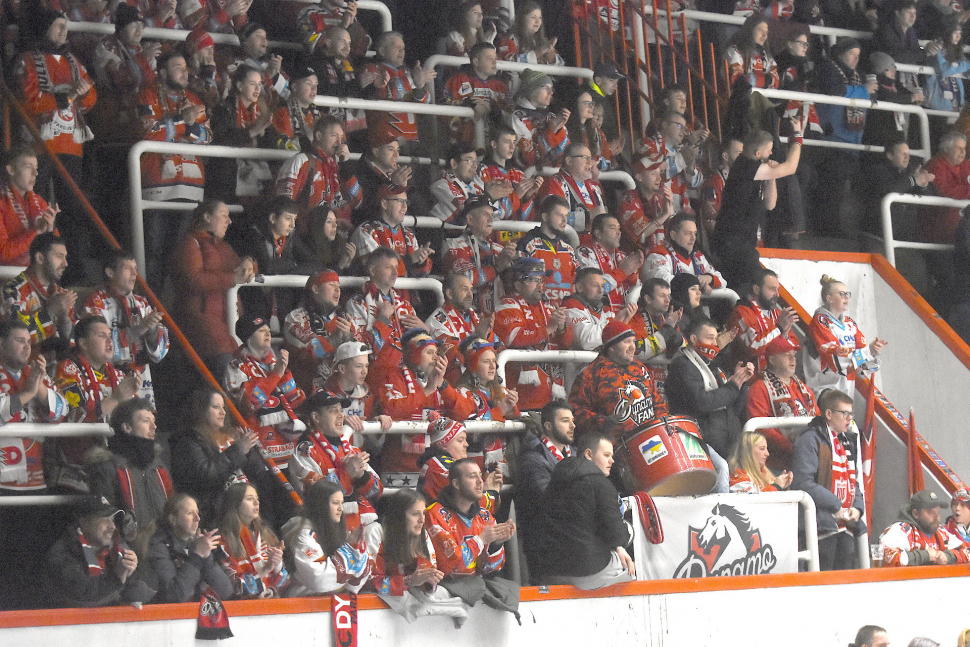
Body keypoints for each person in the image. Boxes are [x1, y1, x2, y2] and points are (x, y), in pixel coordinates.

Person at [14, 9, 96, 284]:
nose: (64, 31)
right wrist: (64, 98)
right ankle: (30, 262)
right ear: (42, 29)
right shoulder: (27, 60)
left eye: (65, 25)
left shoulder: (74, 61)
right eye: (58, 25)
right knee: (35, 205)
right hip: (39, 145)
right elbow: (27, 100)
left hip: (70, 145)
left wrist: (82, 94)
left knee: (73, 207)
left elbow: (91, 98)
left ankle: (73, 268)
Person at [138, 50, 212, 290]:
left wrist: (185, 125)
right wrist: (183, 122)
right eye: (178, 67)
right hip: (157, 186)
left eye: (185, 67)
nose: (185, 71)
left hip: (190, 188)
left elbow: (207, 137)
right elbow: (148, 133)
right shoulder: (147, 95)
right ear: (162, 72)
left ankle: (176, 309)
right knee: (154, 251)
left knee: (183, 252)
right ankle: (154, 303)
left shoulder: (194, 99)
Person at [224, 316, 307, 528]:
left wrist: (283, 371)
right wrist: (275, 375)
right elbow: (249, 403)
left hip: (286, 451)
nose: (268, 334)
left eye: (269, 330)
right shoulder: (237, 366)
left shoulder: (274, 362)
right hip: (260, 454)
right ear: (248, 338)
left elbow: (296, 399)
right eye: (261, 330)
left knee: (289, 514)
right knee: (266, 515)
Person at [369, 328, 475, 477]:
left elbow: (464, 413)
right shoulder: (393, 378)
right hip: (400, 470)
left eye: (436, 353)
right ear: (413, 353)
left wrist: (442, 385)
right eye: (429, 352)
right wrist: (428, 389)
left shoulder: (441, 383)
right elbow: (392, 410)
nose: (435, 358)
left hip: (436, 470)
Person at [168, 200, 256, 379]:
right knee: (229, 370)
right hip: (199, 321)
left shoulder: (223, 246)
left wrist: (249, 262)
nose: (229, 221)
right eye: (224, 216)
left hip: (225, 323)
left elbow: (242, 267)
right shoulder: (190, 243)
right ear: (207, 217)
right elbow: (193, 280)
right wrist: (233, 278)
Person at [535, 432, 635, 589]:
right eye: (607, 455)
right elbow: (617, 533)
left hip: (550, 570)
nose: (612, 460)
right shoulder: (601, 484)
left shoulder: (554, 481)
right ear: (588, 454)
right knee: (628, 568)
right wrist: (627, 535)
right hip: (588, 569)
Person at [666, 316, 754, 492]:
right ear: (693, 339)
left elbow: (731, 406)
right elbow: (703, 402)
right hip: (700, 444)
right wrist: (733, 386)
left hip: (727, 443)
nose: (714, 343)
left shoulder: (712, 366)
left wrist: (741, 384)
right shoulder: (683, 366)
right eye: (709, 338)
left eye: (715, 338)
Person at [53, 315, 141, 491]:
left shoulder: (119, 375)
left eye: (110, 335)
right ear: (83, 343)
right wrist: (115, 399)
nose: (110, 341)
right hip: (78, 467)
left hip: (117, 462)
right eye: (101, 335)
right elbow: (74, 416)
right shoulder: (67, 369)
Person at [289, 390, 383, 549]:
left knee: (375, 530)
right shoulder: (305, 452)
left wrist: (361, 475)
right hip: (325, 529)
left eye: (341, 411)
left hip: (359, 524)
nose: (341, 416)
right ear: (316, 417)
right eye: (333, 411)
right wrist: (346, 473)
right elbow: (317, 496)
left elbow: (377, 492)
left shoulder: (352, 450)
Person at [712, 127, 801, 289]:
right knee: (754, 286)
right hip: (732, 243)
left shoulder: (754, 167)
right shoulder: (747, 167)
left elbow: (770, 204)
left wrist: (771, 175)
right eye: (769, 150)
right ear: (758, 153)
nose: (771, 154)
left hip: (742, 241)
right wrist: (797, 139)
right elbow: (791, 167)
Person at [791, 388, 865, 571]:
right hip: (820, 526)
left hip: (846, 526)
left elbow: (852, 482)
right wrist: (837, 505)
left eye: (851, 414)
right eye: (845, 413)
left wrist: (857, 507)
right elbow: (803, 483)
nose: (850, 419)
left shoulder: (848, 441)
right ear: (829, 414)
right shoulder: (809, 440)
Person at [85, 397, 172, 552]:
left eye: (154, 421)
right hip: (129, 552)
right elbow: (105, 519)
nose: (154, 426)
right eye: (146, 421)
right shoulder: (107, 466)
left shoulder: (159, 465)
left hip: (166, 548)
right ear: (127, 427)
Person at [83, 249, 168, 406]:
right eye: (127, 268)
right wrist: (138, 330)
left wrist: (152, 330)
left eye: (135, 268)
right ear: (110, 272)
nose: (134, 273)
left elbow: (160, 353)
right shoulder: (96, 301)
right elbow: (96, 346)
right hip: (107, 377)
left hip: (140, 379)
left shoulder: (142, 303)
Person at [371, 489, 466, 623]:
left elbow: (428, 586)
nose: (422, 520)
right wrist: (408, 581)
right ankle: (455, 609)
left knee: (433, 596)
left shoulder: (422, 533)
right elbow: (370, 582)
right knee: (406, 599)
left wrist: (429, 581)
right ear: (398, 515)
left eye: (423, 513)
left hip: (404, 588)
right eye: (415, 514)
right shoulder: (376, 531)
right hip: (375, 591)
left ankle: (452, 608)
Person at [169, 389, 262, 525]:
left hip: (230, 514)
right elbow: (207, 475)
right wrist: (238, 450)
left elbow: (255, 472)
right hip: (208, 518)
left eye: (223, 408)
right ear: (201, 410)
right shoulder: (187, 441)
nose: (223, 412)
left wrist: (246, 451)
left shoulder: (226, 437)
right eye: (216, 407)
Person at [812, 38, 875, 237]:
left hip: (850, 141)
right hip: (831, 138)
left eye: (858, 55)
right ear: (840, 54)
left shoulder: (856, 75)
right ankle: (826, 228)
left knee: (839, 187)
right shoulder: (827, 67)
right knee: (831, 186)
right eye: (851, 54)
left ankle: (834, 226)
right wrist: (863, 90)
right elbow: (835, 91)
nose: (856, 59)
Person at [493, 257, 573, 410]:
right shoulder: (507, 305)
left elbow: (566, 344)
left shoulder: (548, 308)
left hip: (551, 399)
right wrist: (548, 328)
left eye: (541, 280)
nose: (540, 285)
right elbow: (515, 337)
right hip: (521, 401)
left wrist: (562, 327)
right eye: (533, 280)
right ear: (518, 285)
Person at [44, 496, 153, 607]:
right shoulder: (62, 553)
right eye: (104, 519)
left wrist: (130, 572)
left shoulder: (116, 548)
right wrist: (118, 578)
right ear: (83, 521)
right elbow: (81, 597)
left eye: (112, 519)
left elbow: (151, 588)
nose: (112, 526)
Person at [0, 319, 67, 495]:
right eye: (20, 341)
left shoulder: (34, 373)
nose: (27, 347)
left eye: (29, 342)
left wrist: (39, 386)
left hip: (35, 478)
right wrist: (29, 392)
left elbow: (62, 412)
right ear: (1, 344)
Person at [424, 458, 515, 578]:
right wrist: (481, 540)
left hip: (474, 586)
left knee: (511, 591)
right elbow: (450, 567)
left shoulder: (484, 515)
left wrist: (496, 543)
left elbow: (490, 568)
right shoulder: (434, 515)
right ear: (456, 484)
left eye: (480, 475)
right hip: (444, 587)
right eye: (472, 476)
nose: (480, 481)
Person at [235, 197, 321, 321]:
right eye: (288, 218)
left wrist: (290, 269)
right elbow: (267, 267)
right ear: (273, 218)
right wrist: (292, 265)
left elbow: (315, 264)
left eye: (295, 219)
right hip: (256, 300)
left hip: (283, 301)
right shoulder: (255, 235)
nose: (292, 225)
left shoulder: (291, 237)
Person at [516, 401, 575, 578]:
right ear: (548, 426)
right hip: (546, 548)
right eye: (565, 421)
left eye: (572, 420)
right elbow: (548, 498)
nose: (572, 426)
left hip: (571, 541)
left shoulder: (576, 454)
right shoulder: (532, 458)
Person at [804, 275, 887, 399]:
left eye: (848, 294)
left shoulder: (850, 324)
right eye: (842, 294)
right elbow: (836, 361)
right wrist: (865, 352)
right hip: (823, 390)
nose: (846, 297)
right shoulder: (820, 321)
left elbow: (861, 368)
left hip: (846, 390)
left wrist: (873, 352)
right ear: (829, 298)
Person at [746, 334, 818, 471]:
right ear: (772, 360)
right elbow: (761, 429)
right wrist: (793, 447)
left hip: (807, 459)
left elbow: (817, 418)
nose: (793, 359)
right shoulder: (759, 388)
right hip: (775, 464)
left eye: (794, 355)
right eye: (786, 355)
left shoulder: (804, 389)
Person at [275, 115, 362, 226]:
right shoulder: (302, 162)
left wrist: (346, 166)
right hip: (305, 237)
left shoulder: (340, 167)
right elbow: (282, 208)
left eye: (342, 138)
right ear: (319, 136)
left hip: (335, 237)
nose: (339, 142)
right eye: (334, 136)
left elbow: (358, 202)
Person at [208, 64, 278, 202]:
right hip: (227, 181)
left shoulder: (262, 111)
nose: (258, 89)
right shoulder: (224, 108)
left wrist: (264, 134)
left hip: (256, 181)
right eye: (253, 84)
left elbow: (273, 147)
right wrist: (252, 132)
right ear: (240, 86)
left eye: (259, 84)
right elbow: (221, 139)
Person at [147, 493, 234, 603]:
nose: (197, 518)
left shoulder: (197, 544)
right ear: (173, 519)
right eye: (190, 513)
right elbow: (175, 596)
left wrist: (206, 556)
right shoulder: (158, 547)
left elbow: (226, 591)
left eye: (197, 513)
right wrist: (197, 556)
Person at [283, 270, 356, 392]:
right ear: (315, 289)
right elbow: (313, 352)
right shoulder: (295, 318)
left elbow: (362, 358)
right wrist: (339, 337)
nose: (337, 290)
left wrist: (349, 338)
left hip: (341, 392)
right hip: (304, 391)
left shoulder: (345, 321)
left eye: (338, 286)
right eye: (332, 285)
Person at [441, 196, 517, 314]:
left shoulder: (499, 249)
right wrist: (496, 268)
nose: (491, 219)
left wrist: (511, 267)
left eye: (492, 215)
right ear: (470, 220)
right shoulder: (453, 245)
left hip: (496, 316)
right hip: (463, 316)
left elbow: (515, 286)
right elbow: (467, 280)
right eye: (485, 214)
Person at [361, 31, 436, 148]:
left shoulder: (407, 72)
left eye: (403, 48)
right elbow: (385, 94)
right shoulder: (372, 68)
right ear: (382, 51)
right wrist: (412, 80)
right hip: (385, 141)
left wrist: (419, 87)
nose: (402, 51)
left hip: (412, 141)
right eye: (397, 47)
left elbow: (427, 102)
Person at [454, 337, 519, 470]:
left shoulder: (501, 391)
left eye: (494, 361)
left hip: (503, 460)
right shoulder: (462, 392)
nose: (492, 366)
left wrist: (513, 407)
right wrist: (500, 411)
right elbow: (470, 428)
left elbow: (515, 421)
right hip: (475, 460)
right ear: (473, 365)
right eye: (486, 362)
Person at [346, 247, 427, 353]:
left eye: (396, 267)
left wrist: (425, 330)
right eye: (388, 267)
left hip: (406, 369)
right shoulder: (357, 304)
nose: (395, 273)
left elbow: (420, 352)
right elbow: (363, 350)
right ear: (372, 270)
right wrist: (383, 319)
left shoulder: (404, 305)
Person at [215, 482, 289, 598]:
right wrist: (266, 569)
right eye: (250, 499)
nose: (256, 502)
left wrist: (278, 563)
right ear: (235, 504)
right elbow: (235, 588)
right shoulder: (223, 540)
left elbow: (285, 584)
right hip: (243, 610)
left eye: (257, 498)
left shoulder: (267, 534)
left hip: (274, 605)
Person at [1, 232, 75, 346]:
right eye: (59, 256)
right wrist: (51, 311)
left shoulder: (63, 295)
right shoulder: (12, 291)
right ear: (40, 258)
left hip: (56, 363)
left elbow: (74, 347)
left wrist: (64, 320)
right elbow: (18, 341)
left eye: (65, 257)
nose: (65, 263)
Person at [426, 272, 500, 382]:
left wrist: (487, 335)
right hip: (455, 386)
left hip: (481, 385)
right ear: (450, 294)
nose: (470, 294)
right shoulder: (436, 321)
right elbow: (457, 358)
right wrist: (479, 337)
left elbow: (499, 348)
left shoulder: (475, 316)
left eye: (471, 289)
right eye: (465, 290)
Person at [351, 184, 433, 283]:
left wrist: (421, 262)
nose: (405, 207)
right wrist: (411, 259)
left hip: (405, 296)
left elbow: (421, 276)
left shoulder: (409, 234)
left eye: (406, 202)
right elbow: (378, 273)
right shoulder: (366, 231)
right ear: (384, 204)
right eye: (400, 201)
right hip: (377, 297)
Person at [417, 413, 503, 503]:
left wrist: (485, 485)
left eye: (465, 440)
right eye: (460, 440)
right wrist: (491, 492)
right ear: (443, 445)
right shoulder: (441, 467)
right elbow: (472, 507)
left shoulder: (439, 463)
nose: (466, 444)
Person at [725, 267, 797, 373]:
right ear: (756, 289)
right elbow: (755, 346)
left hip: (777, 377)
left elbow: (794, 346)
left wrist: (784, 334)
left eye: (778, 290)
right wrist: (779, 328)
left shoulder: (777, 314)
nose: (777, 294)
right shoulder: (741, 312)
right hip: (748, 380)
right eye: (772, 289)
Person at [322, 341, 393, 444]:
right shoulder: (322, 395)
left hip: (360, 456)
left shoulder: (368, 396)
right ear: (342, 368)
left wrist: (378, 422)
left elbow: (375, 444)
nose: (364, 371)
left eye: (366, 366)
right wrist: (340, 421)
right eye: (358, 366)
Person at [878, 489, 970, 566]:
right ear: (916, 513)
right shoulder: (901, 530)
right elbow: (888, 557)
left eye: (938, 513)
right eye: (931, 513)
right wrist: (926, 555)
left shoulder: (941, 532)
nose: (936, 517)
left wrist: (949, 557)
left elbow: (966, 551)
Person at [441, 41, 509, 146]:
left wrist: (493, 108)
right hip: (463, 145)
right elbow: (444, 106)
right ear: (476, 62)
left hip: (493, 144)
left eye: (495, 59)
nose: (494, 63)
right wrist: (469, 104)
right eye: (489, 59)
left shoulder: (500, 86)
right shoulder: (458, 80)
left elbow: (509, 114)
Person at [0, 146, 57, 266]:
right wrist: (36, 232)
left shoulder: (39, 201)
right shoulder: (2, 202)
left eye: (36, 168)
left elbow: (56, 252)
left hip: (32, 272)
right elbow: (2, 253)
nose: (35, 174)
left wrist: (49, 231)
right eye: (28, 167)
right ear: (11, 170)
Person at [628, 277, 685, 395]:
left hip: (665, 385)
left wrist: (674, 334)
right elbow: (638, 352)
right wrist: (668, 330)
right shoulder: (632, 320)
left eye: (668, 296)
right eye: (662, 296)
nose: (667, 300)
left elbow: (684, 352)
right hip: (638, 384)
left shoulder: (668, 321)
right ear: (648, 299)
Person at [516, 194, 576, 304]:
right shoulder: (528, 245)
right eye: (559, 215)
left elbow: (576, 284)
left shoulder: (568, 249)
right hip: (538, 313)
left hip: (565, 313)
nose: (564, 220)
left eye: (566, 215)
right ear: (545, 217)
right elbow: (519, 284)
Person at [644, 211, 726, 291]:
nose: (693, 238)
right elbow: (662, 281)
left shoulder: (698, 257)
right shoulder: (659, 254)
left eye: (694, 233)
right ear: (673, 235)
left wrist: (710, 278)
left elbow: (723, 282)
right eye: (688, 233)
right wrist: (698, 284)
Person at [577, 213, 643, 313]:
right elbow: (593, 289)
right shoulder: (584, 253)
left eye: (619, 228)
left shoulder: (622, 256)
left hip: (625, 316)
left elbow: (637, 290)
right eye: (613, 228)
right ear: (598, 234)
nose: (619, 232)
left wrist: (632, 276)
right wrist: (622, 272)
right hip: (597, 316)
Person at [479, 124, 543, 223]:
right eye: (507, 142)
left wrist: (528, 196)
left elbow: (528, 219)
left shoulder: (518, 174)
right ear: (494, 144)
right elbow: (489, 215)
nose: (512, 146)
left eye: (513, 142)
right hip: (492, 234)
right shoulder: (482, 171)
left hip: (519, 235)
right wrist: (516, 196)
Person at [536, 142, 606, 233]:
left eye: (590, 158)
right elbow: (552, 219)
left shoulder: (594, 189)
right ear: (569, 161)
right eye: (585, 158)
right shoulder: (555, 183)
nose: (590, 163)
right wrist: (588, 216)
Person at [507, 69, 569, 170]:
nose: (551, 92)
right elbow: (529, 160)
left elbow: (568, 156)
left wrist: (559, 130)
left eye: (551, 88)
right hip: (529, 179)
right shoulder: (518, 118)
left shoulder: (552, 117)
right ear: (531, 89)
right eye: (545, 88)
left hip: (557, 177)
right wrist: (551, 132)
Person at [561, 267, 635, 350]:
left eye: (602, 286)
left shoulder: (606, 311)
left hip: (601, 362)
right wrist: (615, 323)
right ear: (580, 287)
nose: (601, 290)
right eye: (595, 285)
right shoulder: (571, 305)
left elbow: (616, 344)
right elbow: (586, 341)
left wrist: (625, 321)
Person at [350, 131, 413, 223]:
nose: (396, 155)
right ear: (376, 152)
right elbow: (367, 210)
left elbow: (407, 209)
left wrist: (402, 189)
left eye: (398, 150)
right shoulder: (360, 174)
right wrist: (393, 186)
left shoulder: (393, 174)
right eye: (391, 149)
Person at [220, 23, 289, 104]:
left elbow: (288, 95)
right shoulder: (234, 65)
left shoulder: (270, 64)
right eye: (258, 36)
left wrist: (275, 76)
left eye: (265, 37)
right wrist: (268, 75)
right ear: (245, 41)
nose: (264, 40)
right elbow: (249, 96)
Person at [619, 153, 674, 249]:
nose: (659, 178)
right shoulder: (628, 200)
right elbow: (642, 235)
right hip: (637, 257)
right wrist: (665, 214)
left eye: (659, 173)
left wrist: (670, 206)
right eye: (653, 174)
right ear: (639, 177)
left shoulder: (659, 199)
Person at [924, 130, 970, 245]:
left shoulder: (965, 164)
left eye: (964, 148)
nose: (963, 152)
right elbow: (946, 190)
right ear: (946, 149)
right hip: (939, 228)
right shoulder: (935, 166)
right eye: (959, 148)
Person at [429, 144, 489, 225]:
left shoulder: (474, 186)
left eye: (476, 161)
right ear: (454, 164)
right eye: (470, 161)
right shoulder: (440, 186)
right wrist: (489, 196)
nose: (475, 166)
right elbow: (466, 218)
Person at [497, 1, 563, 66]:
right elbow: (508, 61)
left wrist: (549, 53)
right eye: (533, 17)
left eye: (540, 17)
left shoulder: (542, 41)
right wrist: (537, 53)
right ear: (522, 19)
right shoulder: (508, 38)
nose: (537, 21)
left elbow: (561, 65)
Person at [270, 66, 319, 151]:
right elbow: (286, 148)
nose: (314, 89)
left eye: (316, 85)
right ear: (295, 87)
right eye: (309, 83)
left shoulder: (318, 114)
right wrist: (314, 132)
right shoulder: (283, 112)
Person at [726, 13, 779, 89]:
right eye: (760, 30)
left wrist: (752, 79)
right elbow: (738, 81)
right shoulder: (734, 51)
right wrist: (765, 80)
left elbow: (776, 82)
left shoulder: (767, 56)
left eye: (766, 32)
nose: (764, 35)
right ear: (750, 30)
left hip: (761, 98)